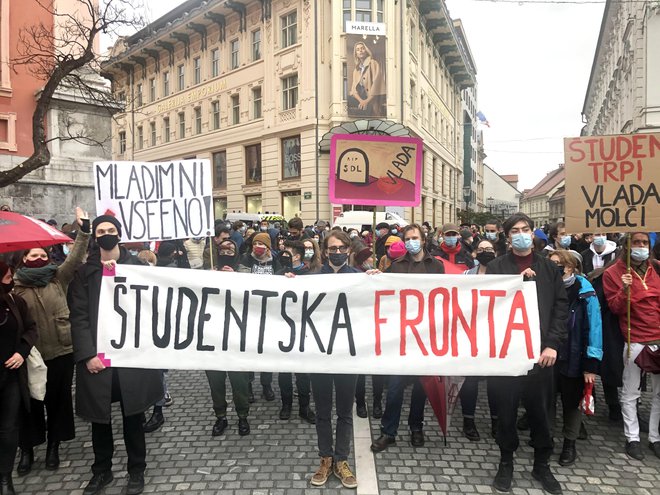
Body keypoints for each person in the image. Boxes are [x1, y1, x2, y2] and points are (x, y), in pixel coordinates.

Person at [68, 215, 164, 495]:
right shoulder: (85, 272)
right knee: (100, 419)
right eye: (101, 231)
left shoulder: (138, 268)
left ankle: (137, 471)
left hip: (131, 358)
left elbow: (154, 309)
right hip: (99, 358)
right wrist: (87, 355)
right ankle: (102, 471)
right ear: (95, 237)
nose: (106, 234)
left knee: (133, 416)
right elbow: (79, 317)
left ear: (119, 234)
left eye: (111, 230)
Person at [486, 212, 568, 495]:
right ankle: (506, 462)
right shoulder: (497, 268)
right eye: (515, 230)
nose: (521, 234)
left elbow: (560, 308)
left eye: (525, 229)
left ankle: (541, 464)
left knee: (542, 412)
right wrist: (515, 285)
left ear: (533, 233)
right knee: (506, 411)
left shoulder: (549, 268)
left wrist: (553, 344)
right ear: (507, 237)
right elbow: (487, 306)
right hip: (508, 354)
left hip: (541, 355)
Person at [13, 207, 90, 476]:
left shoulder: (58, 277)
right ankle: (28, 449)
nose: (39, 258)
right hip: (29, 355)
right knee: (29, 403)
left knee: (58, 401)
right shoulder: (13, 286)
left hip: (60, 350)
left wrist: (84, 230)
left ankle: (53, 446)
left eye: (43, 255)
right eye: (33, 255)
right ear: (23, 260)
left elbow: (77, 256)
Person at [371, 224, 445, 453]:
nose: (412, 241)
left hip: (425, 336)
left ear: (423, 240)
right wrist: (376, 278)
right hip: (401, 336)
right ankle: (388, 431)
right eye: (408, 238)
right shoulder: (396, 266)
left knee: (421, 388)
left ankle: (416, 427)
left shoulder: (436, 266)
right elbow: (387, 294)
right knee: (394, 387)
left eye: (416, 237)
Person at [308, 230, 367, 489]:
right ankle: (325, 458)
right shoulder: (310, 279)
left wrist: (378, 279)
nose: (337, 252)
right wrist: (287, 281)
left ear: (349, 250)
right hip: (318, 355)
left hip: (347, 356)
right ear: (324, 250)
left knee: (344, 412)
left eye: (342, 247)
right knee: (322, 412)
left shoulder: (360, 278)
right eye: (332, 248)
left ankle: (341, 460)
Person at [603, 232, 660, 460]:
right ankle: (632, 437)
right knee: (630, 392)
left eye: (644, 242)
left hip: (658, 337)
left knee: (659, 393)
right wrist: (625, 290)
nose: (640, 246)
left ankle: (655, 437)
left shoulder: (655, 268)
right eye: (636, 242)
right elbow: (615, 308)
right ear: (626, 245)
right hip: (634, 339)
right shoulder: (613, 273)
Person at [547, 250, 602, 466]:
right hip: (549, 356)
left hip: (574, 356)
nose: (556, 268)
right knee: (547, 400)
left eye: (560, 264)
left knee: (572, 403)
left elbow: (594, 329)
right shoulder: (546, 288)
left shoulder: (586, 293)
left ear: (571, 268)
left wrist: (591, 364)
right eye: (551, 264)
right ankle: (547, 439)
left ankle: (569, 443)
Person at [205, 239, 251, 437]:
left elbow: (253, 296)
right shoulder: (207, 274)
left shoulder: (244, 271)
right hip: (212, 338)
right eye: (223, 249)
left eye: (230, 249)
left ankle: (242, 416)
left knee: (239, 383)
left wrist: (237, 279)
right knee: (216, 383)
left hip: (235, 340)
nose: (227, 252)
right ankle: (221, 416)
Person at [0, 262, 37, 495]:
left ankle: (5, 478)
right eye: (6, 276)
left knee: (8, 429)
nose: (10, 279)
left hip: (11, 376)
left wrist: (21, 352)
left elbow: (31, 329)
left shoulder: (15, 302)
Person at [460, 239, 499, 441]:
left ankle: (496, 421)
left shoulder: (504, 274)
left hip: (496, 333)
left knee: (495, 381)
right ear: (475, 254)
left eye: (489, 249)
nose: (485, 252)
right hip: (472, 333)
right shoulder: (466, 275)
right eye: (481, 249)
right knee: (470, 380)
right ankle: (468, 420)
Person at [274, 240, 316, 424]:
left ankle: (305, 407)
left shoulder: (309, 276)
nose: (283, 255)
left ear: (297, 256)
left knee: (303, 373)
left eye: (287, 252)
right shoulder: (278, 275)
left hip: (303, 331)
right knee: (284, 372)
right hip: (282, 330)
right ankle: (286, 404)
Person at [348, 41, 385, 117]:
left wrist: (366, 101)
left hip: (372, 101)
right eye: (358, 50)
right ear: (356, 54)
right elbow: (354, 90)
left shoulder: (373, 63)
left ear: (366, 51)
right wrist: (361, 101)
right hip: (360, 101)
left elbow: (377, 86)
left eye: (362, 48)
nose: (360, 51)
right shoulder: (356, 70)